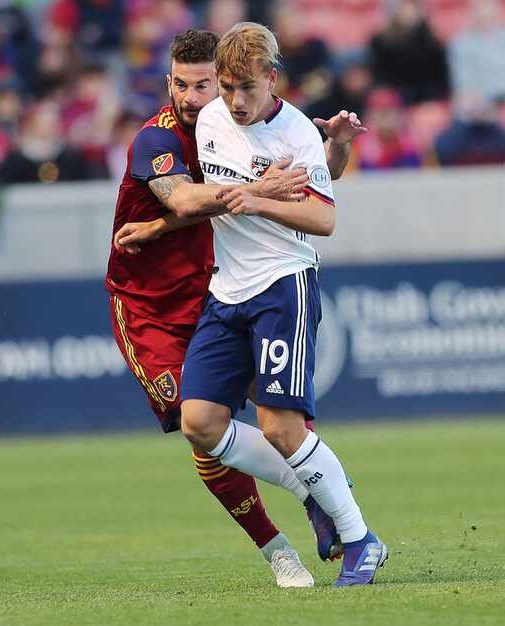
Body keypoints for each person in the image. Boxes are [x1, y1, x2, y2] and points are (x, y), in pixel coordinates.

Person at [105, 29, 364, 588]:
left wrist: (328, 151)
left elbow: (316, 182)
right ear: (168, 82)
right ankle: (280, 547)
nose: (193, 98)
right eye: (183, 84)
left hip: (214, 286)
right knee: (195, 425)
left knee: (280, 415)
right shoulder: (158, 139)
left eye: (205, 86)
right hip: (148, 308)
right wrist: (249, 189)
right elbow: (186, 196)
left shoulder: (235, 121)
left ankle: (330, 507)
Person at [172, 22, 386, 587]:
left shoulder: (295, 133)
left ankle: (362, 539)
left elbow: (324, 218)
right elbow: (206, 190)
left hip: (281, 284)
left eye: (246, 88)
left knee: (281, 427)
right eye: (225, 87)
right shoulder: (211, 118)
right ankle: (312, 490)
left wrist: (256, 202)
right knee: (199, 421)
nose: (235, 102)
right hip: (227, 289)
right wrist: (253, 191)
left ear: (273, 78)